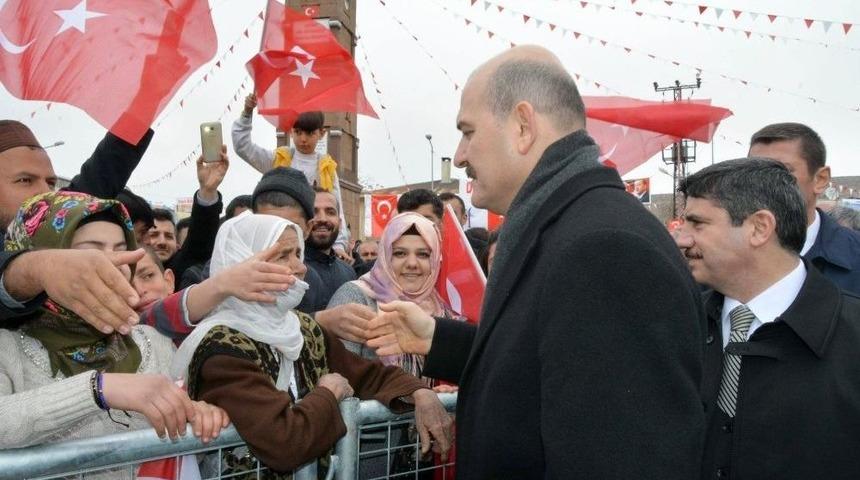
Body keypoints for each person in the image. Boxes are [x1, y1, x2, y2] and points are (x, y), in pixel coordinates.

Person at [366, 45, 705, 479]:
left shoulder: (603, 249)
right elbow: (541, 365)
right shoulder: (564, 227)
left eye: (468, 131)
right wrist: (439, 340)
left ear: (523, 126)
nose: (461, 154)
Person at [171, 213, 452, 476]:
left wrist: (419, 394)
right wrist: (328, 394)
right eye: (283, 256)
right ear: (242, 262)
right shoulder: (221, 349)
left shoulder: (302, 328)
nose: (300, 267)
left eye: (297, 253)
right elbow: (284, 441)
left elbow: (369, 375)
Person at [673, 158, 860, 479]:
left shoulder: (852, 335)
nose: (682, 239)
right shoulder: (675, 324)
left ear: (760, 228)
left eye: (697, 223)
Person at [0, 191, 228, 453]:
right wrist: (98, 390)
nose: (114, 263)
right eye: (90, 252)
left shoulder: (151, 340)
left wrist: (197, 414)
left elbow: (181, 411)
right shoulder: (8, 346)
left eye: (121, 250)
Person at [0, 120, 152, 333]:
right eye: (25, 180)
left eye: (51, 183)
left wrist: (145, 102)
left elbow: (106, 169)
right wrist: (36, 269)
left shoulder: (53, 216)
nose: (46, 193)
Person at [232, 94, 351, 260]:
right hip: (281, 241)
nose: (303, 139)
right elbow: (242, 146)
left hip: (315, 244)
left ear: (321, 133)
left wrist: (339, 244)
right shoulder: (278, 159)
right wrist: (247, 113)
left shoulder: (327, 167)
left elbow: (337, 210)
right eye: (298, 132)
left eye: (309, 133)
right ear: (291, 131)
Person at [748, 122, 860, 294]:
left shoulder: (854, 256)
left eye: (781, 171)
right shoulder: (719, 253)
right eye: (753, 171)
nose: (763, 182)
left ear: (820, 179)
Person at [146, 148, 228, 284]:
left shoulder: (181, 269)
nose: (162, 242)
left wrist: (208, 190)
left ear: (178, 244)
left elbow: (199, 241)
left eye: (169, 236)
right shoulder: (125, 269)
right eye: (154, 234)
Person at [305, 188, 357, 307]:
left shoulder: (348, 272)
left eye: (330, 212)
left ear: (339, 222)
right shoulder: (289, 269)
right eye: (314, 212)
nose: (323, 219)